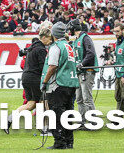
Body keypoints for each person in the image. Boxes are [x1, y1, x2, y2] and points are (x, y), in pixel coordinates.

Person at [41, 21, 78, 150]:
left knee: (55, 113)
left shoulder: (56, 47)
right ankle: (69, 141)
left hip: (58, 84)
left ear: (53, 34)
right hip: (71, 83)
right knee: (68, 113)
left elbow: (52, 66)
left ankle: (59, 142)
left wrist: (45, 82)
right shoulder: (68, 46)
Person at [11, 24, 50, 131]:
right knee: (42, 101)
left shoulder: (31, 48)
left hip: (26, 77)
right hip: (35, 78)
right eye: (49, 38)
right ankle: (42, 126)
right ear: (43, 37)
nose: (50, 41)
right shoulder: (41, 49)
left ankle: (10, 118)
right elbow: (43, 67)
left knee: (31, 103)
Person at [70, 19, 96, 114]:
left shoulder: (85, 38)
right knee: (79, 99)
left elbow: (91, 53)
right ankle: (83, 120)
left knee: (87, 98)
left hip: (87, 70)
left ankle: (93, 122)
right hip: (79, 72)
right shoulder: (76, 40)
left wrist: (82, 64)